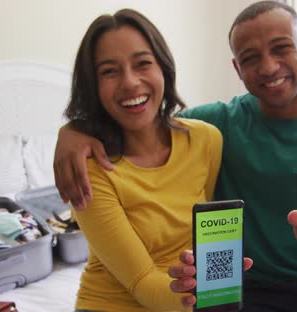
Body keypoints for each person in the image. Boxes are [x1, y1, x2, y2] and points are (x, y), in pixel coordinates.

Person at [54, 2, 297, 311]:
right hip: (254, 292)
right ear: (237, 69)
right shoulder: (218, 126)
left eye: (281, 48)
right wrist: (71, 131)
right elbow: (145, 123)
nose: (268, 67)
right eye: (251, 58)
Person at [63, 8, 252, 312]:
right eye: (109, 71)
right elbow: (143, 284)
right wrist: (206, 294)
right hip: (115, 303)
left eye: (142, 64)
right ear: (93, 86)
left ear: (163, 68)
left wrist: (214, 285)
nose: (129, 82)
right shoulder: (88, 167)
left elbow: (196, 231)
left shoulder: (205, 140)